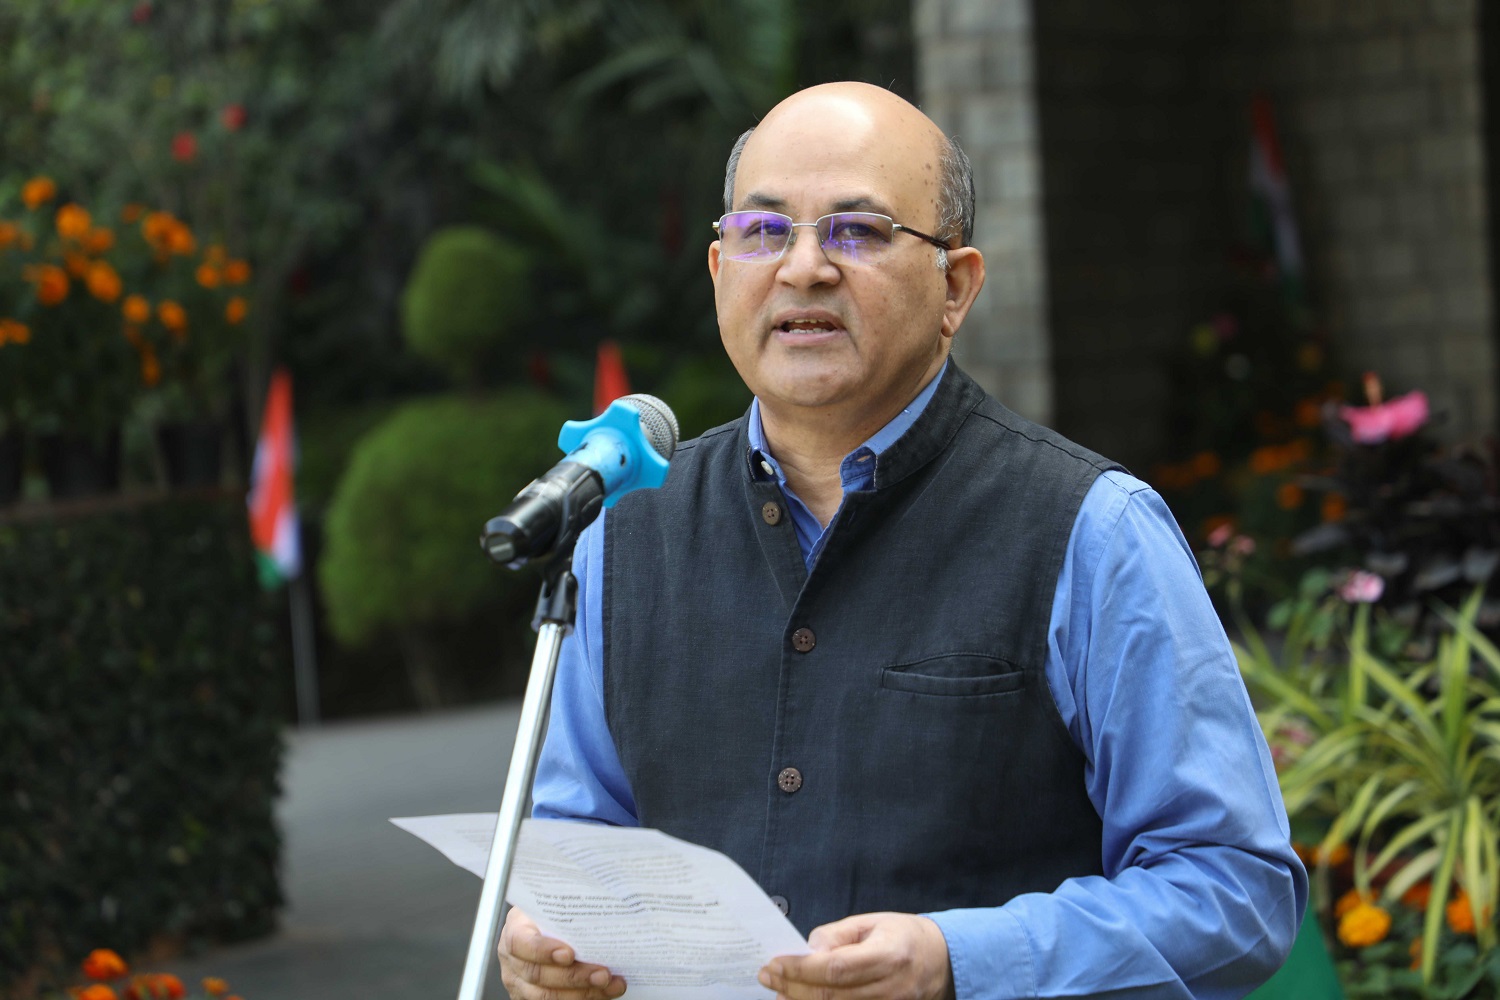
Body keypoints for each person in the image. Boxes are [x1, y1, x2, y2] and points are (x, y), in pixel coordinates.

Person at [498, 81, 1307, 1000]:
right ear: (721, 272)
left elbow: (1236, 892)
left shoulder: (1091, 529)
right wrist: (544, 943)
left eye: (858, 231)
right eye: (764, 232)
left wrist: (958, 963)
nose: (803, 267)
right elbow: (578, 844)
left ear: (955, 286)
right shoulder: (624, 531)